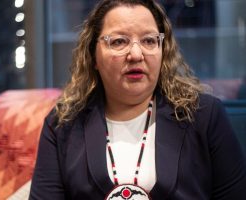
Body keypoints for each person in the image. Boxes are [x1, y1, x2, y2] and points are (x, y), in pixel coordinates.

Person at [29, 0, 246, 199]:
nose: (135, 54)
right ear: (93, 55)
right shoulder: (63, 124)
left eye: (149, 41)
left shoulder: (203, 115)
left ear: (163, 50)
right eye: (119, 41)